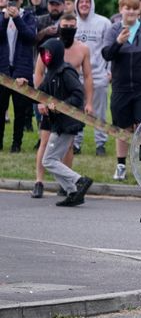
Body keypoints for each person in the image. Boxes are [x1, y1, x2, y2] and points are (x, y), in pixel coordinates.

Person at [101, 0, 141, 180]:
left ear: (139, 11)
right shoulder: (113, 30)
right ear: (120, 10)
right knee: (122, 129)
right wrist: (118, 42)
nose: (130, 12)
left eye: (134, 8)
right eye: (126, 8)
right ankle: (121, 165)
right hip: (121, 87)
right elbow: (107, 55)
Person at [32, 13, 93, 199]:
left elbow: (79, 93)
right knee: (47, 153)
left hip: (67, 119)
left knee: (51, 158)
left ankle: (76, 182)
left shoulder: (67, 71)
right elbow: (39, 89)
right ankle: (71, 190)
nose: (45, 56)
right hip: (55, 116)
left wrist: (61, 105)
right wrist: (23, 86)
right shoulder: (51, 68)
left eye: (71, 26)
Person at [74, 0, 112, 156]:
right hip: (76, 75)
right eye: (81, 2)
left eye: (87, 2)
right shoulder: (71, 22)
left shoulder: (103, 22)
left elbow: (109, 49)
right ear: (76, 4)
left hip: (98, 73)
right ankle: (75, 143)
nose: (84, 4)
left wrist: (109, 71)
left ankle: (100, 144)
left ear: (92, 4)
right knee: (76, 110)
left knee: (99, 111)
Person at [0, 0, 37, 152]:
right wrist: (6, 18)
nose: (12, 4)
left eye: (15, 0)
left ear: (21, 0)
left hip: (22, 70)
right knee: (1, 108)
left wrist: (16, 18)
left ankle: (17, 144)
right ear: (5, 0)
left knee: (20, 110)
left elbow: (30, 37)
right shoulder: (1, 16)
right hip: (3, 69)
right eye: (10, 0)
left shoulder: (28, 16)